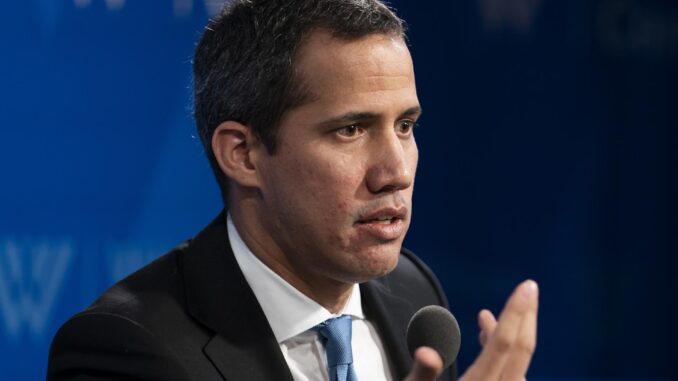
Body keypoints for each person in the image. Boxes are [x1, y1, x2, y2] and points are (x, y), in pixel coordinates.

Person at [47, 1, 539, 380]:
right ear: (243, 154)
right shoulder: (125, 350)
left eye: (406, 125)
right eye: (351, 130)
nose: (395, 171)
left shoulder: (414, 294)